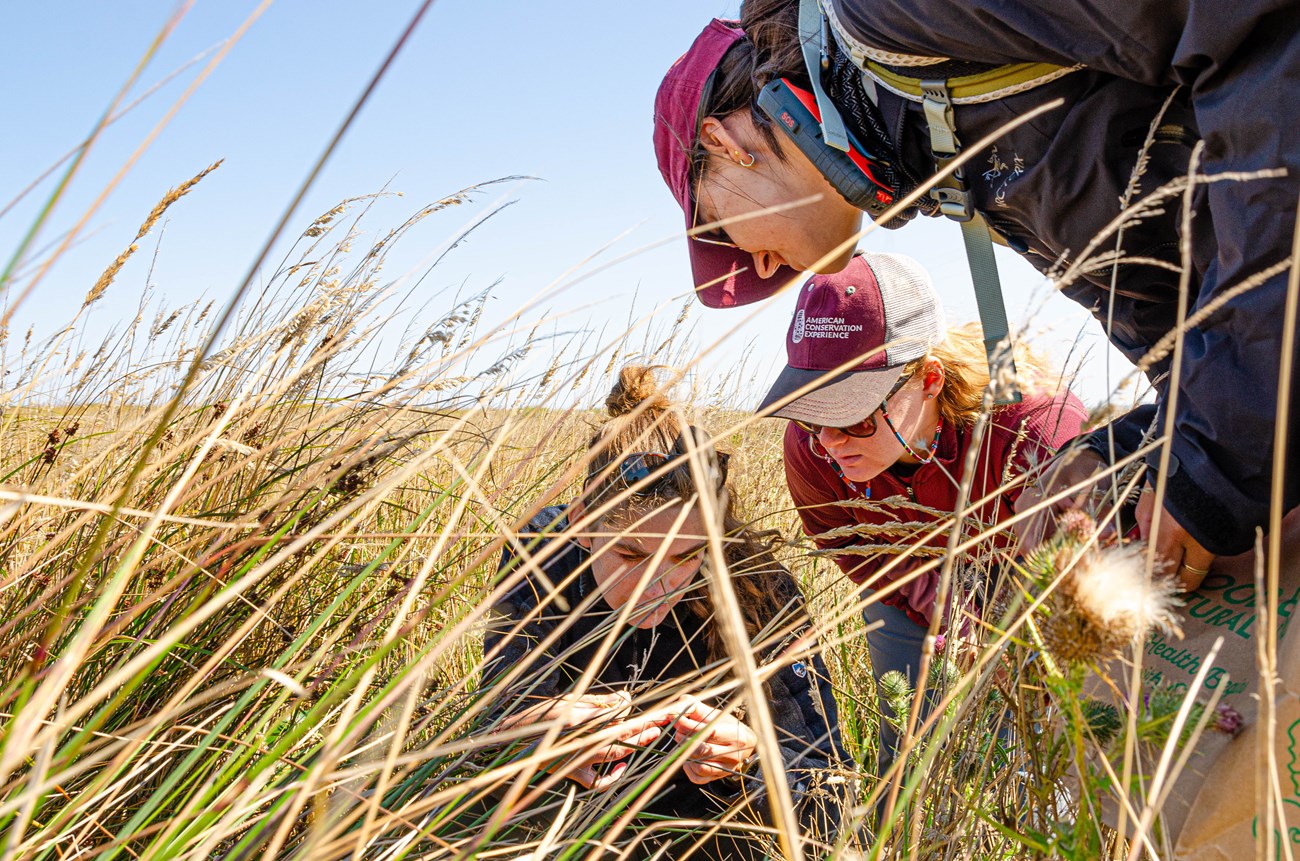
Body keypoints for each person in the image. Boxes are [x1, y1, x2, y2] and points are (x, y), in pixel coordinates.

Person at [652, 1, 1300, 592]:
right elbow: (1207, 359)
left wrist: (1215, 466)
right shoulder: (942, 156)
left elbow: (1254, 26)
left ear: (723, 144)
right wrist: (1121, 460)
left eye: (718, 229)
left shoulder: (887, 17)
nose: (757, 265)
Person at [479, 365, 848, 860]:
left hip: (714, 826)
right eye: (631, 555)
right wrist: (535, 728)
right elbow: (495, 712)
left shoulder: (762, 587)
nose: (657, 585)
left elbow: (828, 786)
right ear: (583, 524)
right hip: (568, 824)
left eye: (685, 557)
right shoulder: (543, 551)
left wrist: (752, 759)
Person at [753, 252, 1087, 771]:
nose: (831, 440)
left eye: (855, 415)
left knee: (1035, 754)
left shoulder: (1030, 430)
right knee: (909, 752)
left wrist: (1005, 640)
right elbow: (857, 554)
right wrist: (949, 613)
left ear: (929, 380)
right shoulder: (811, 447)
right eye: (813, 410)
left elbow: (1077, 575)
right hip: (909, 589)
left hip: (1032, 590)